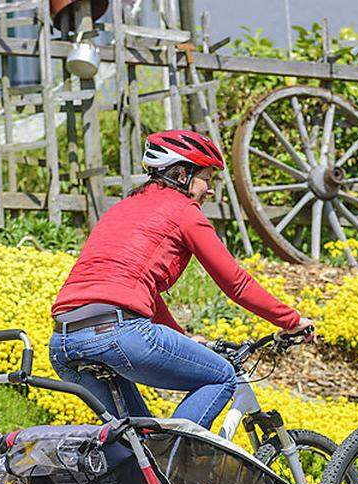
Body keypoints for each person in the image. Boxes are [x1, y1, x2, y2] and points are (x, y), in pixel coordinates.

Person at [49, 129, 313, 426]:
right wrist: (291, 321)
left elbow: (136, 292)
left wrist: (181, 337)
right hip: (119, 334)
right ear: (181, 174)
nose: (210, 190)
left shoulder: (121, 209)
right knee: (221, 377)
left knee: (137, 442)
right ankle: (179, 462)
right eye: (207, 178)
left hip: (63, 341)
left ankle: (149, 468)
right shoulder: (183, 211)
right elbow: (235, 282)